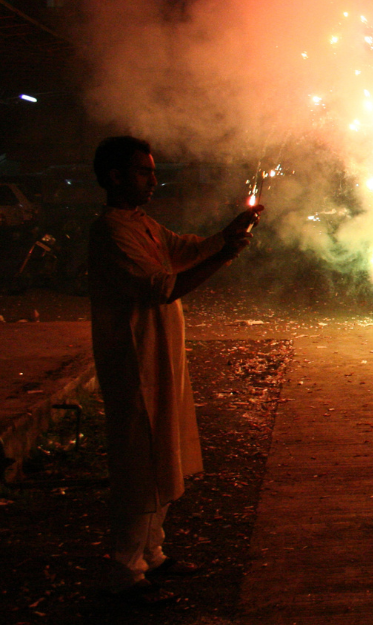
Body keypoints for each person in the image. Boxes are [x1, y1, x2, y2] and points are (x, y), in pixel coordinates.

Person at [87, 136, 263, 605]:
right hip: (135, 363)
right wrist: (224, 255)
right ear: (115, 176)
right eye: (144, 172)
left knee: (163, 452)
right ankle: (125, 572)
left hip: (160, 361)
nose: (152, 180)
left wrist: (228, 233)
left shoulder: (141, 224)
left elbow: (185, 250)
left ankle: (153, 553)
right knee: (141, 463)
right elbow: (163, 287)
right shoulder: (111, 231)